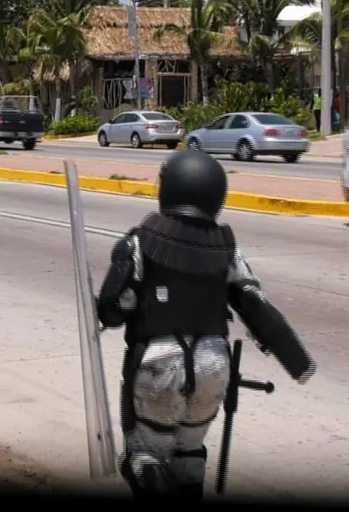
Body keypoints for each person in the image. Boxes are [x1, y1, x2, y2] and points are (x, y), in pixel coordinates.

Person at [96, 149, 315, 500]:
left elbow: (112, 310)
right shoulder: (227, 250)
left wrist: (116, 308)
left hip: (157, 363)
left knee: (145, 456)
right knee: (190, 454)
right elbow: (255, 306)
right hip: (213, 365)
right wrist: (300, 364)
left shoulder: (138, 243)